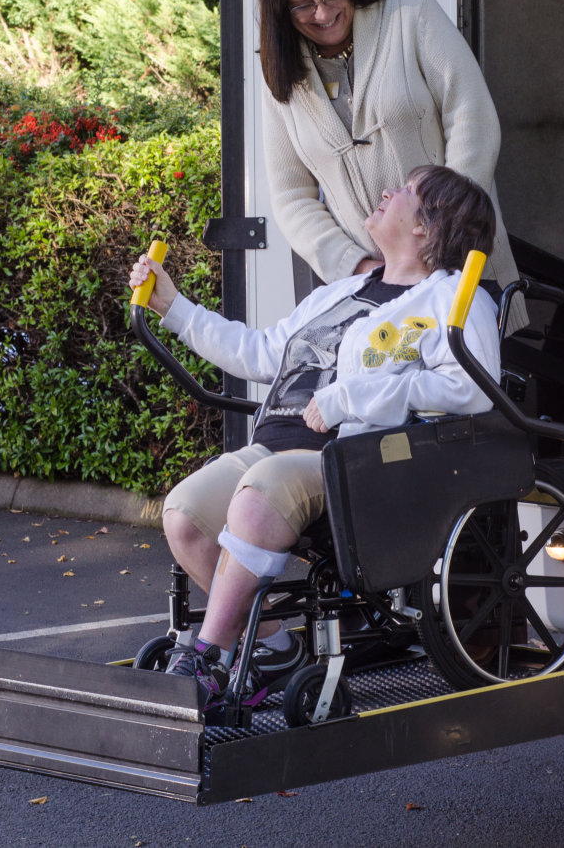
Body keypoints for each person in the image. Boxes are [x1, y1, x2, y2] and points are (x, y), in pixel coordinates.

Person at [127, 165, 502, 711]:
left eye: (403, 191)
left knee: (260, 495)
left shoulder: (453, 298)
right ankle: (275, 648)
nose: (386, 191)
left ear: (427, 226)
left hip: (355, 460)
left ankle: (207, 655)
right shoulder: (342, 292)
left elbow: (472, 389)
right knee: (185, 514)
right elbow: (260, 352)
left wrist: (351, 398)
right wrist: (173, 307)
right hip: (274, 450)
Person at [257, 0, 527, 330]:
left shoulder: (409, 12)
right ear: (282, 11)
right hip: (374, 298)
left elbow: (472, 115)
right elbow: (292, 197)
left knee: (471, 384)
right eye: (304, 6)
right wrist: (358, 267)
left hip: (460, 271)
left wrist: (444, 236)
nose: (324, 13)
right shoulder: (278, 72)